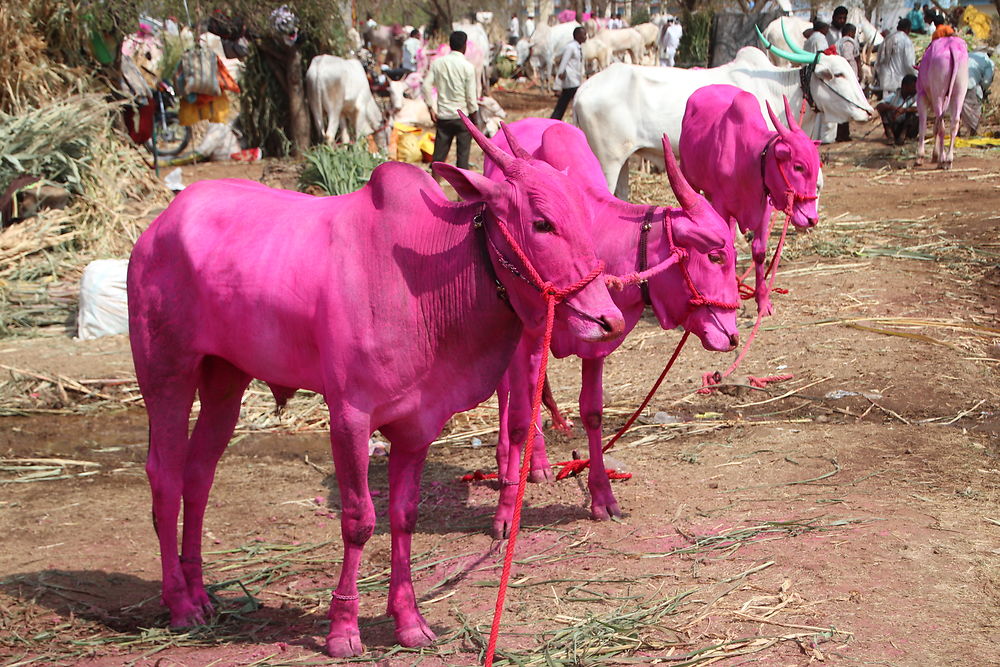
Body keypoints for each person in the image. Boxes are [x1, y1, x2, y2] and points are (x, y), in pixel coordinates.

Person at [422, 30, 479, 170]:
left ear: (450, 45)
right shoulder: (468, 67)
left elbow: (426, 85)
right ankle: (462, 192)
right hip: (462, 118)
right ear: (464, 46)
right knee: (462, 159)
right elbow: (471, 97)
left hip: (444, 116)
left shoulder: (438, 63)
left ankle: (434, 188)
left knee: (438, 160)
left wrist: (430, 107)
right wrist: (474, 117)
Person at [551, 26, 586, 120]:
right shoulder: (570, 47)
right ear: (578, 35)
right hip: (571, 79)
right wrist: (558, 81)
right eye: (584, 34)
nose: (585, 37)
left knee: (563, 103)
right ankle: (577, 119)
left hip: (576, 79)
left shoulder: (578, 47)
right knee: (578, 100)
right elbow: (564, 62)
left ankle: (554, 119)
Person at [875, 18, 916, 99]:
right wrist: (916, 76)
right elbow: (909, 64)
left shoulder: (887, 39)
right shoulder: (906, 41)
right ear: (908, 29)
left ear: (898, 28)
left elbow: (879, 59)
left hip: (885, 81)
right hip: (899, 83)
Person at [834, 23, 860, 142]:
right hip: (847, 78)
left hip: (840, 77)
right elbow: (848, 58)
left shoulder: (838, 43)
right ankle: (842, 134)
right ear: (850, 33)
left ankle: (844, 132)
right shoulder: (848, 42)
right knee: (845, 106)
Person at [876, 74, 918, 145]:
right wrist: (894, 108)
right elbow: (879, 105)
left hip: (909, 129)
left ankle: (903, 136)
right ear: (905, 86)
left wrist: (904, 110)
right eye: (913, 86)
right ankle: (891, 136)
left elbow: (917, 108)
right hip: (895, 126)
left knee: (912, 114)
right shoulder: (894, 96)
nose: (916, 88)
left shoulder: (916, 97)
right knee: (885, 111)